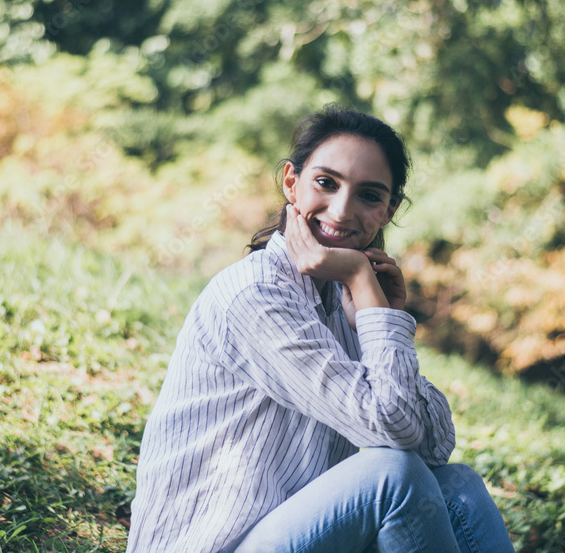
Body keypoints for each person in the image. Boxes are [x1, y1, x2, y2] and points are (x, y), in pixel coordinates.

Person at [125, 106, 514, 552]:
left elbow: (434, 446)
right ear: (292, 182)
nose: (342, 210)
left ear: (389, 210)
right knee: (393, 476)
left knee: (458, 485)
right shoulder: (257, 294)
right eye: (326, 183)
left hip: (297, 536)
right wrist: (365, 284)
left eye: (369, 195)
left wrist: (378, 314)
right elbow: (397, 433)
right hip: (216, 544)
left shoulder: (347, 301)